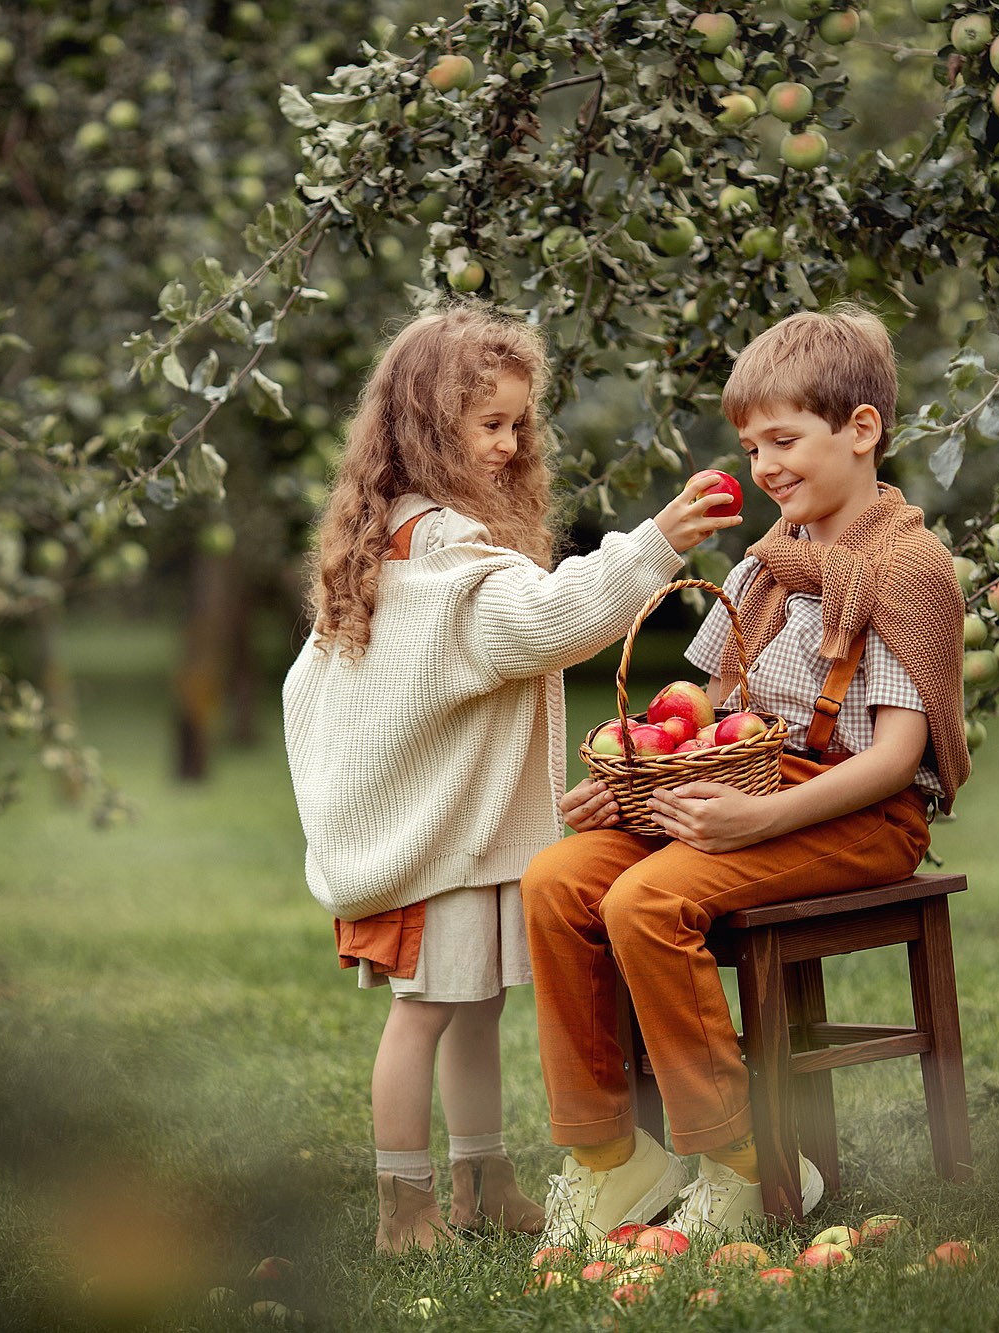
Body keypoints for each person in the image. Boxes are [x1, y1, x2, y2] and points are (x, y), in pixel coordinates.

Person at [283, 301, 741, 1255]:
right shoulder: (443, 561)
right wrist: (656, 541)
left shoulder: (396, 548)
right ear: (425, 430)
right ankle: (403, 1208)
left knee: (477, 1005)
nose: (509, 443)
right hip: (433, 842)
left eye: (518, 424)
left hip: (463, 833)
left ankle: (482, 1178)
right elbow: (550, 621)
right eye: (487, 424)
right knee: (427, 1016)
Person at [522, 305, 972, 1254]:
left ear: (861, 430)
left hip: (860, 810)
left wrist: (750, 824)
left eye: (783, 439)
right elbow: (705, 699)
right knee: (557, 879)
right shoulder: (770, 563)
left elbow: (896, 759)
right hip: (748, 786)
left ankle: (746, 1162)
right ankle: (612, 1156)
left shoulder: (908, 568)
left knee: (647, 903)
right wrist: (639, 770)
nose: (763, 465)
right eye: (750, 445)